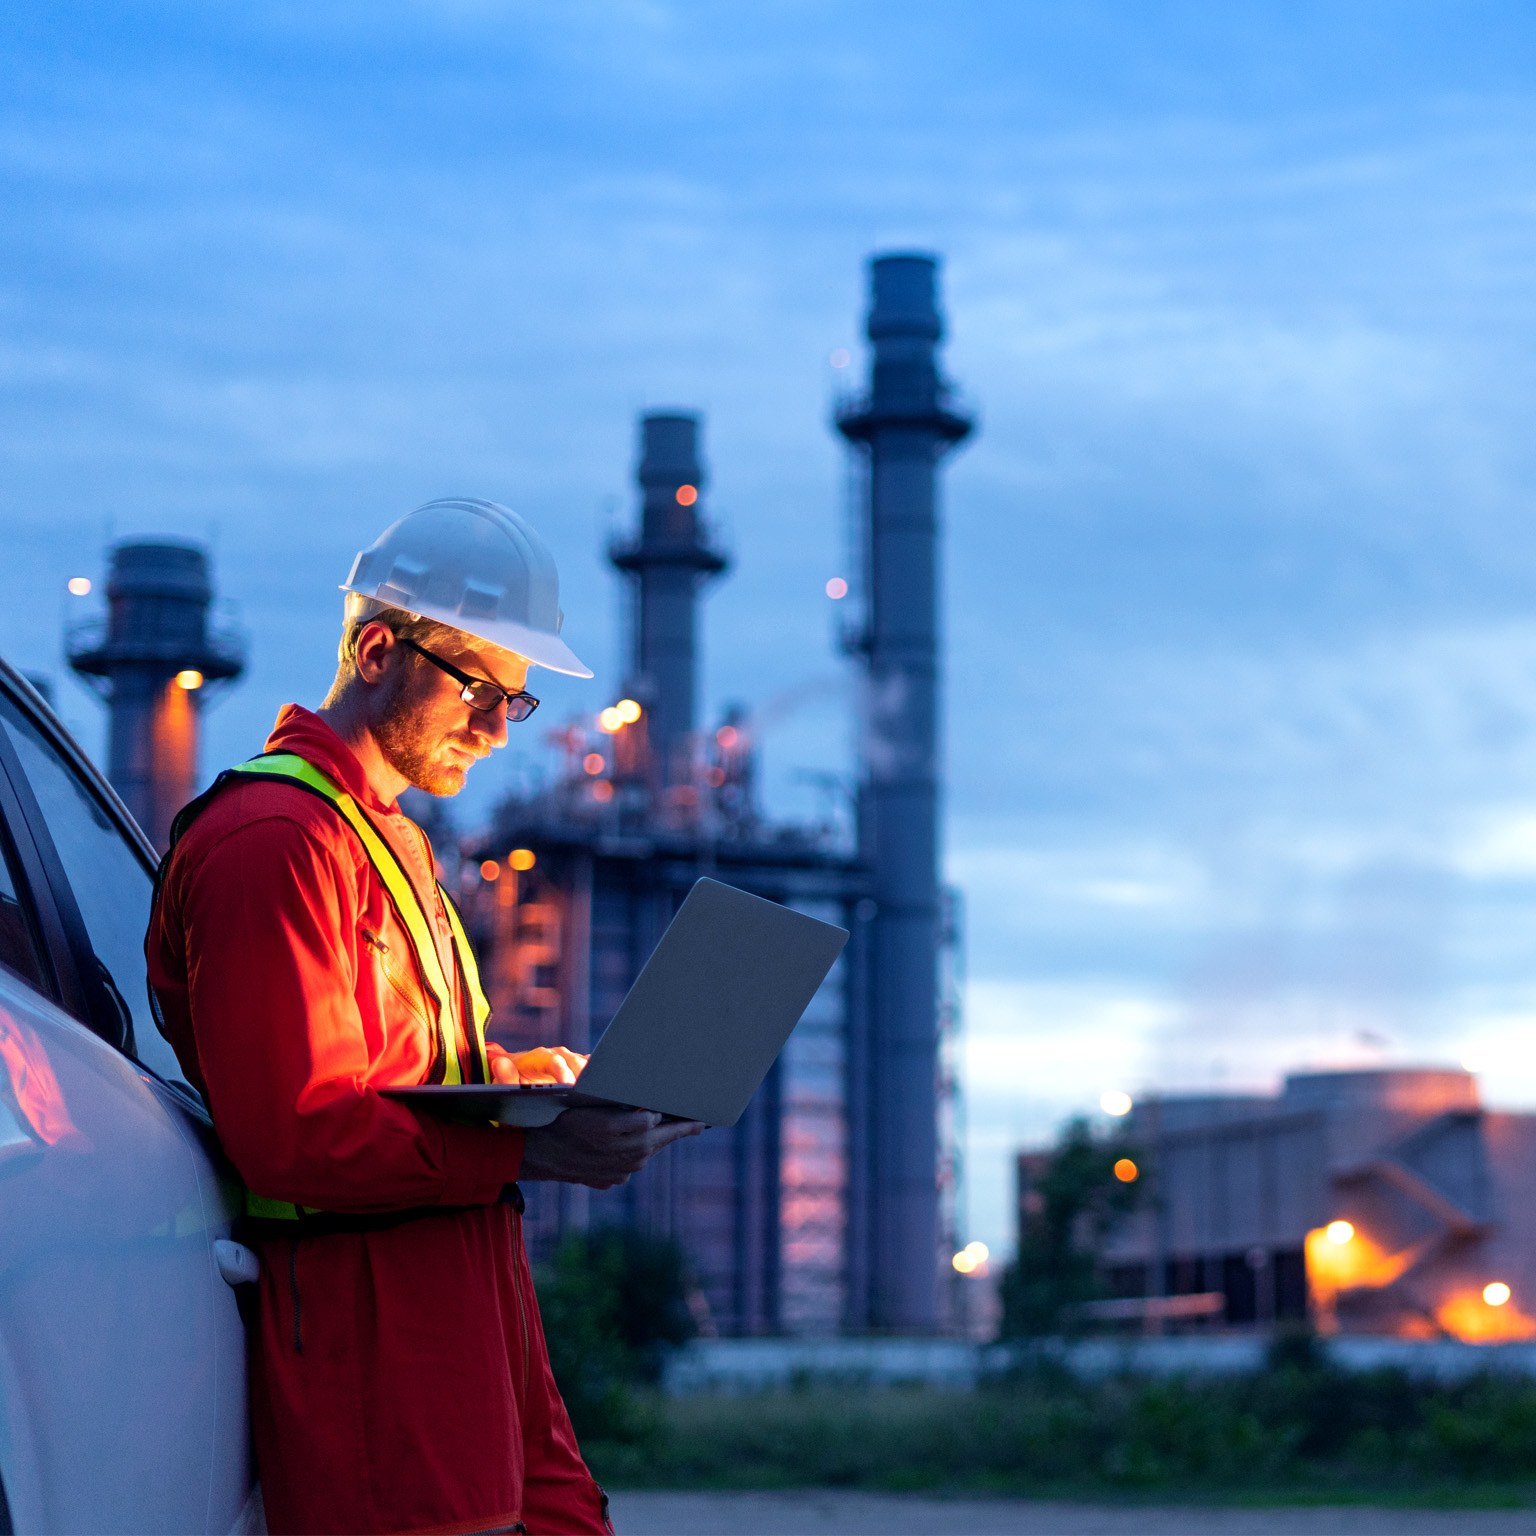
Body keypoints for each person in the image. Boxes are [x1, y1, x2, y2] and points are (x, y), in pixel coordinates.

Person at [146, 498, 703, 1536]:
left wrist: (531, 1082)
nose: (499, 732)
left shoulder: (383, 840)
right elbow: (298, 1134)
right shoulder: (273, 844)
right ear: (374, 650)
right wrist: (534, 1155)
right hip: (374, 1327)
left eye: (517, 703)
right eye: (481, 691)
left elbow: (407, 1064)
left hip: (468, 1304)